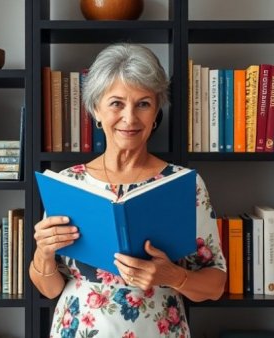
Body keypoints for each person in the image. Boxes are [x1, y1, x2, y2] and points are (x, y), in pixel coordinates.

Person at [29, 43, 227, 338]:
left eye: (143, 104)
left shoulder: (184, 184)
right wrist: (44, 253)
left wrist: (173, 276)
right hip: (80, 329)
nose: (130, 118)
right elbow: (50, 288)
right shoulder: (69, 184)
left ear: (156, 110)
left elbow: (215, 285)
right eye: (116, 103)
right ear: (96, 109)